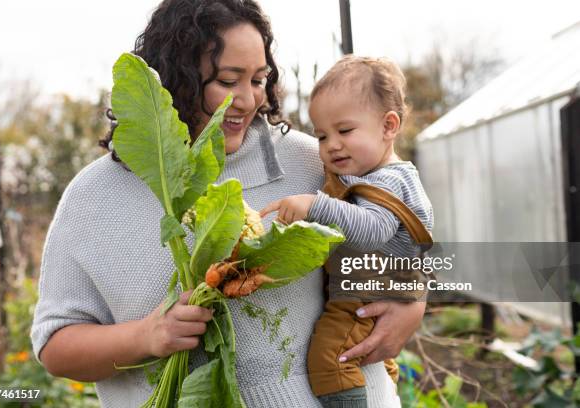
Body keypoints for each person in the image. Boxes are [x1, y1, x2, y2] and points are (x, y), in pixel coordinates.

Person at [30, 1, 425, 407]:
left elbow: (403, 226)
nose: (249, 99)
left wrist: (414, 300)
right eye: (227, 80)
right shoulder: (93, 197)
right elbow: (56, 345)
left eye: (258, 79)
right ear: (175, 77)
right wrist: (148, 336)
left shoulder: (317, 161)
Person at [260, 55, 434, 407]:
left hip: (365, 295)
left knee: (330, 358)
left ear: (388, 126)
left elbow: (372, 230)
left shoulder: (387, 181)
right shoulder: (376, 174)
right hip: (372, 288)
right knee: (365, 352)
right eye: (321, 135)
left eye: (344, 131)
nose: (331, 145)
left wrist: (314, 205)